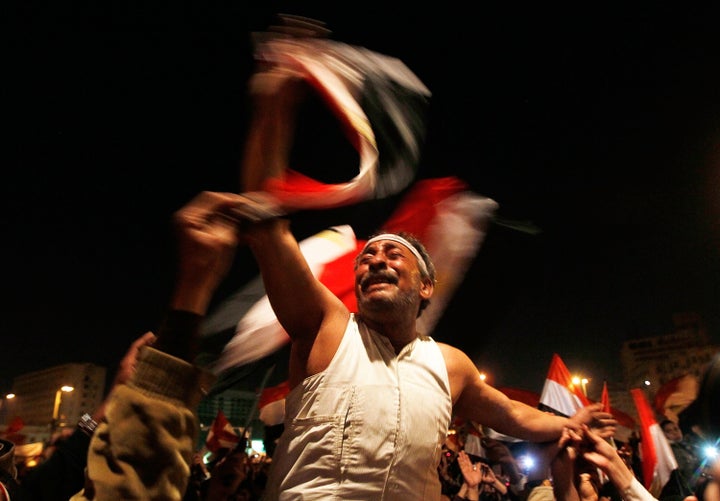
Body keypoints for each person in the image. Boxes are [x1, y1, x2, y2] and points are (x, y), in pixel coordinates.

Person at [195, 62, 618, 500]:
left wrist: (571, 423)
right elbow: (267, 224)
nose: (374, 261)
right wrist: (273, 105)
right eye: (366, 258)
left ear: (426, 288)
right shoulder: (326, 326)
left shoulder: (451, 366)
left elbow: (513, 414)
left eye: (393, 254)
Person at [661, 419, 702, 494]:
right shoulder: (670, 452)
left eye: (676, 429)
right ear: (663, 435)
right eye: (669, 431)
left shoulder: (689, 444)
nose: (674, 432)